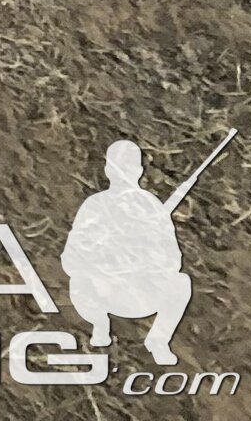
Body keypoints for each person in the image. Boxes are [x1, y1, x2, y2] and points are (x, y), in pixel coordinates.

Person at [61, 142, 195, 365]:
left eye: (128, 168)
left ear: (139, 171)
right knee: (80, 280)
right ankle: (99, 324)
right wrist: (104, 264)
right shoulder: (95, 205)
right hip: (102, 292)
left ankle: (158, 340)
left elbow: (173, 260)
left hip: (140, 293)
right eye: (118, 168)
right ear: (108, 171)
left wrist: (145, 259)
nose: (123, 175)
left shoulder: (152, 208)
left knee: (181, 283)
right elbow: (71, 257)